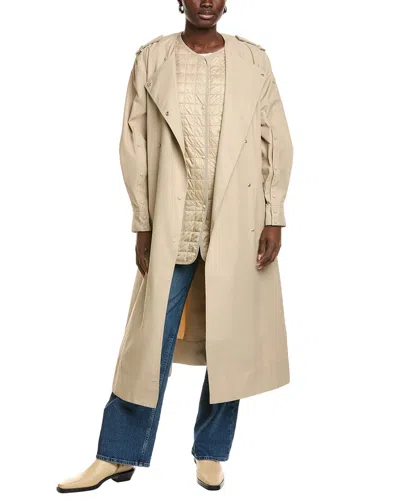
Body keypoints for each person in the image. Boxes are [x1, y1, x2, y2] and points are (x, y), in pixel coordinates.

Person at [57, 0, 294, 493]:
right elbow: (134, 144)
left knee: (233, 343)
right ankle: (116, 455)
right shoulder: (152, 58)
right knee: (147, 345)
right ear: (180, 1)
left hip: (239, 220)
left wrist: (274, 214)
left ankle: (211, 452)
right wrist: (143, 221)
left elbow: (277, 140)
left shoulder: (254, 60)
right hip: (172, 222)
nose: (207, 1)